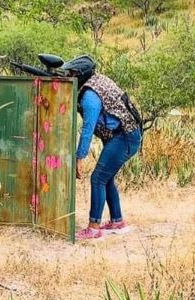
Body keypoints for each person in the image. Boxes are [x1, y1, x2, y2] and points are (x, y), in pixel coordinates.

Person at [60, 55, 143, 241]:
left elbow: (87, 129)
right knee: (106, 178)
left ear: (81, 75)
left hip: (124, 137)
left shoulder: (90, 95)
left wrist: (79, 157)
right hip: (123, 135)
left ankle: (94, 228)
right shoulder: (95, 82)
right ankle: (117, 222)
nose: (68, 76)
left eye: (72, 73)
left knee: (98, 178)